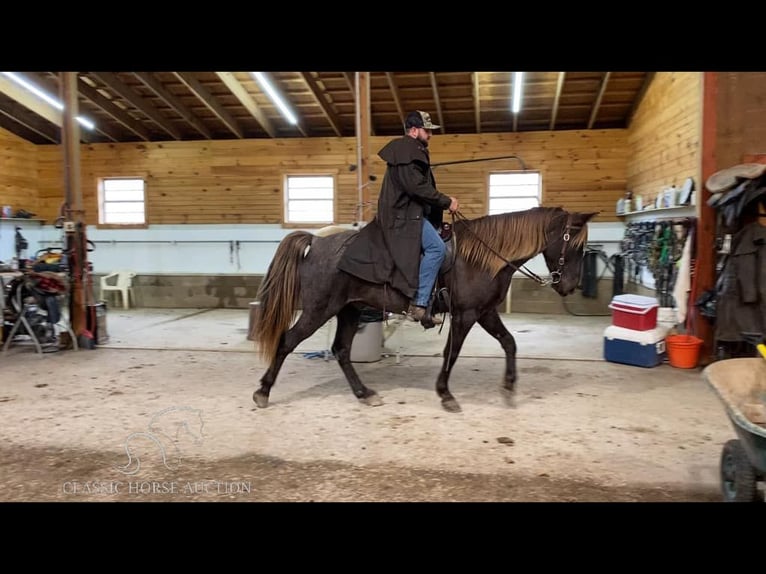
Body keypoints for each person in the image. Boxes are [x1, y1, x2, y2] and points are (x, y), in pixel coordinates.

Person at [338, 111, 459, 327]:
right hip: (403, 217)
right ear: (414, 130)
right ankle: (419, 304)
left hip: (409, 213)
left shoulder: (409, 151)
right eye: (427, 130)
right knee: (437, 249)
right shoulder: (407, 150)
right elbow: (416, 187)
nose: (430, 134)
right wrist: (446, 201)